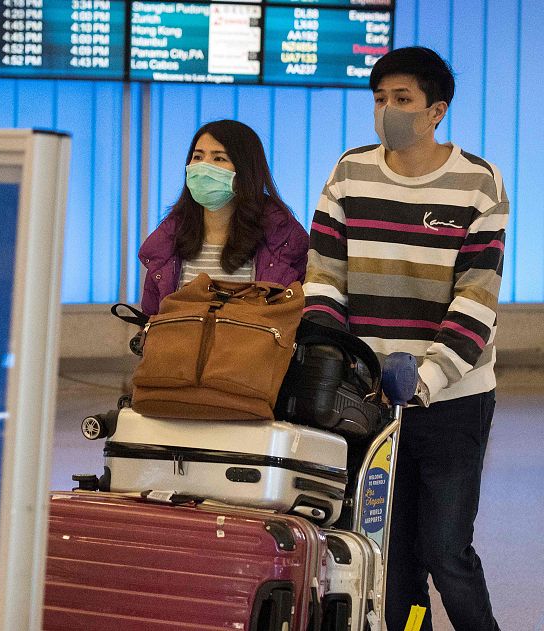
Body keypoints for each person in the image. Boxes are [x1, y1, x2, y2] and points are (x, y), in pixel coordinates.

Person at [303, 47, 506, 631]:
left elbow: (477, 296)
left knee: (446, 553)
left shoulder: (477, 182)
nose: (387, 111)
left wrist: (425, 377)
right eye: (379, 99)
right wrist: (342, 367)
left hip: (452, 400)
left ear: (436, 110)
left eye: (402, 100)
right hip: (367, 403)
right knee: (390, 563)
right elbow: (324, 276)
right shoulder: (349, 172)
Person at [139, 119, 308, 316]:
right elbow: (152, 317)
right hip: (179, 346)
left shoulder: (281, 241)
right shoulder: (168, 239)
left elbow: (292, 318)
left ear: (245, 170)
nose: (203, 167)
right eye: (197, 157)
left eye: (219, 159)